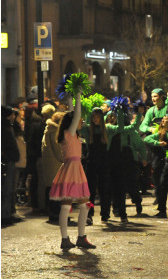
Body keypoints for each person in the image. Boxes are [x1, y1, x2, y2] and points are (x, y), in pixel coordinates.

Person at [49, 88, 96, 249]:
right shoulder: (70, 133)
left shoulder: (69, 133)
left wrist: (71, 97)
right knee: (73, 205)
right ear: (73, 123)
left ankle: (72, 238)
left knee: (78, 205)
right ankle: (75, 238)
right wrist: (78, 95)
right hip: (73, 169)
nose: (81, 122)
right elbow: (75, 114)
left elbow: (72, 114)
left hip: (72, 169)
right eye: (79, 121)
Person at [41, 111, 65, 224]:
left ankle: (52, 212)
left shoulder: (48, 129)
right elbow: (58, 149)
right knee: (56, 191)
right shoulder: (55, 130)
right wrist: (65, 159)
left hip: (49, 163)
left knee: (50, 189)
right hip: (55, 164)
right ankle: (56, 214)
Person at [2, 106, 20, 227]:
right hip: (7, 161)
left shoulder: (6, 126)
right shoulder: (5, 127)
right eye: (12, 114)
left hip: (8, 160)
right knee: (7, 189)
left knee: (7, 189)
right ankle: (5, 215)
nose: (14, 116)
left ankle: (7, 213)